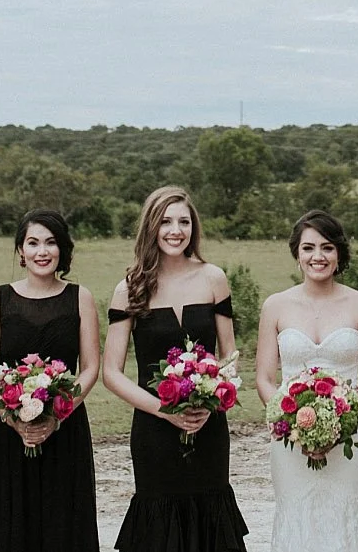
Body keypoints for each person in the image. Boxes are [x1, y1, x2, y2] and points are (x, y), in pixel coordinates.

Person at [103, 186, 249, 551]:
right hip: (154, 432)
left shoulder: (214, 278)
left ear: (193, 228)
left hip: (209, 427)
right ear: (151, 227)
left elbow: (229, 356)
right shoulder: (129, 288)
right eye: (166, 221)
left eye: (184, 221)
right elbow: (112, 373)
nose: (175, 230)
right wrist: (165, 411)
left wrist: (213, 400)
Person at [255, 210, 358, 551]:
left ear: (339, 253)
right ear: (296, 254)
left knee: (348, 521)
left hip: (351, 436)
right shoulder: (275, 305)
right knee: (298, 519)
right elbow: (264, 379)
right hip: (291, 441)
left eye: (327, 248)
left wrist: (344, 422)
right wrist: (289, 420)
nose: (318, 256)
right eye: (308, 248)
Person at [0, 209, 101, 552]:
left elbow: (90, 366)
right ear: (20, 250)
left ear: (62, 250)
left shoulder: (80, 297)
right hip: (7, 428)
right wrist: (12, 417)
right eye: (33, 243)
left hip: (64, 427)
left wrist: (57, 414)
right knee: (8, 519)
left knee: (62, 520)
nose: (42, 251)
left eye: (50, 242)